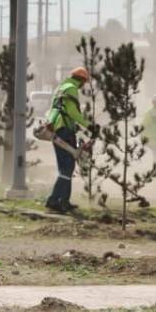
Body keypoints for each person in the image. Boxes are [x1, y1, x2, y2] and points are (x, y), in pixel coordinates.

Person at [45, 67, 96, 214]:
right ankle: (53, 200)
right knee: (67, 168)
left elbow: (58, 110)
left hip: (57, 129)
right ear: (81, 80)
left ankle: (64, 202)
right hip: (65, 131)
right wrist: (89, 126)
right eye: (84, 82)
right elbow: (72, 112)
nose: (83, 86)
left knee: (66, 168)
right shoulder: (72, 89)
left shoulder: (60, 88)